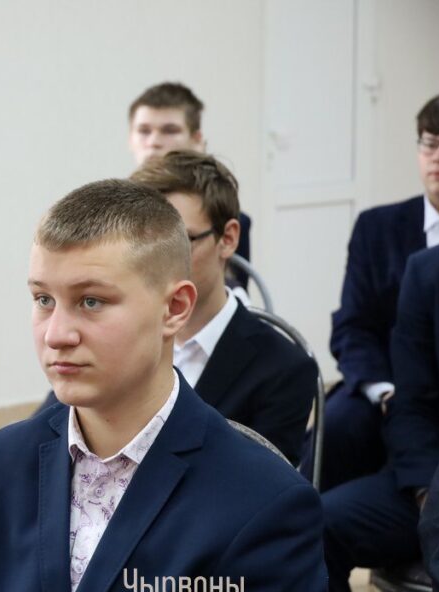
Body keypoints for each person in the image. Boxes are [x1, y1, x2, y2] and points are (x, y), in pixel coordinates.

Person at [0, 179, 326, 592]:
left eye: (91, 302)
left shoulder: (262, 505)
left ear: (174, 308)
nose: (56, 335)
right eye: (43, 299)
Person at [131, 150, 317, 462]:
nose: (155, 264)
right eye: (142, 245)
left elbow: (258, 487)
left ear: (228, 239)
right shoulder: (116, 337)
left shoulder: (284, 368)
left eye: (181, 241)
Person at [308, 94, 439, 493]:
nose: (437, 157)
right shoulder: (377, 227)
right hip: (387, 383)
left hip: (432, 393)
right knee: (336, 427)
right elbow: (353, 325)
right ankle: (300, 520)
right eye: (430, 144)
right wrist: (384, 390)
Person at [320, 240, 439, 592]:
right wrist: (426, 492)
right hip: (426, 480)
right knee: (319, 522)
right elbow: (412, 403)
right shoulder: (426, 271)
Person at [127, 81, 253, 281]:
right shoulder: (113, 214)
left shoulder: (227, 221)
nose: (153, 142)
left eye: (170, 130)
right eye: (144, 131)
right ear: (130, 139)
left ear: (196, 140)